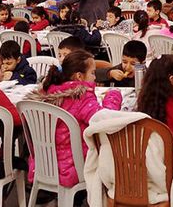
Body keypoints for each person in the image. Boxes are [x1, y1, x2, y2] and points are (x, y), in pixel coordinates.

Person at [34, 49, 122, 188]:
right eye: (92, 73)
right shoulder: (81, 96)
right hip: (74, 166)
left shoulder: (49, 91)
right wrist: (113, 95)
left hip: (43, 164)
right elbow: (105, 121)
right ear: (80, 76)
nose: (95, 78)